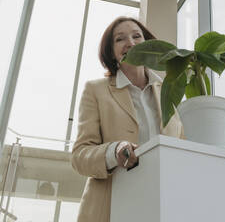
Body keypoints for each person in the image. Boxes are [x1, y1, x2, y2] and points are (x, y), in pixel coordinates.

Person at [71, 16, 184, 222]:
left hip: (164, 206)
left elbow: (182, 152)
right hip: (112, 209)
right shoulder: (95, 90)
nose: (130, 43)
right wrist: (114, 151)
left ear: (149, 45)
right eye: (120, 39)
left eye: (136, 36)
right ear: (111, 52)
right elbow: (79, 156)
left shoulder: (169, 91)